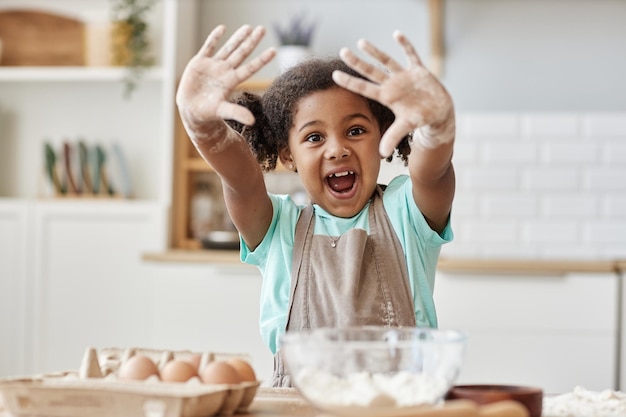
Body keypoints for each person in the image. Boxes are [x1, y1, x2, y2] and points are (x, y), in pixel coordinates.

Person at [176, 24, 456, 387]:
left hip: (397, 406)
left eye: (355, 131)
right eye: (314, 137)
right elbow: (241, 181)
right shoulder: (278, 226)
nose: (337, 149)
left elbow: (433, 172)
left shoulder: (406, 210)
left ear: (383, 135)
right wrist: (201, 126)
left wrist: (437, 124)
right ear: (287, 155)